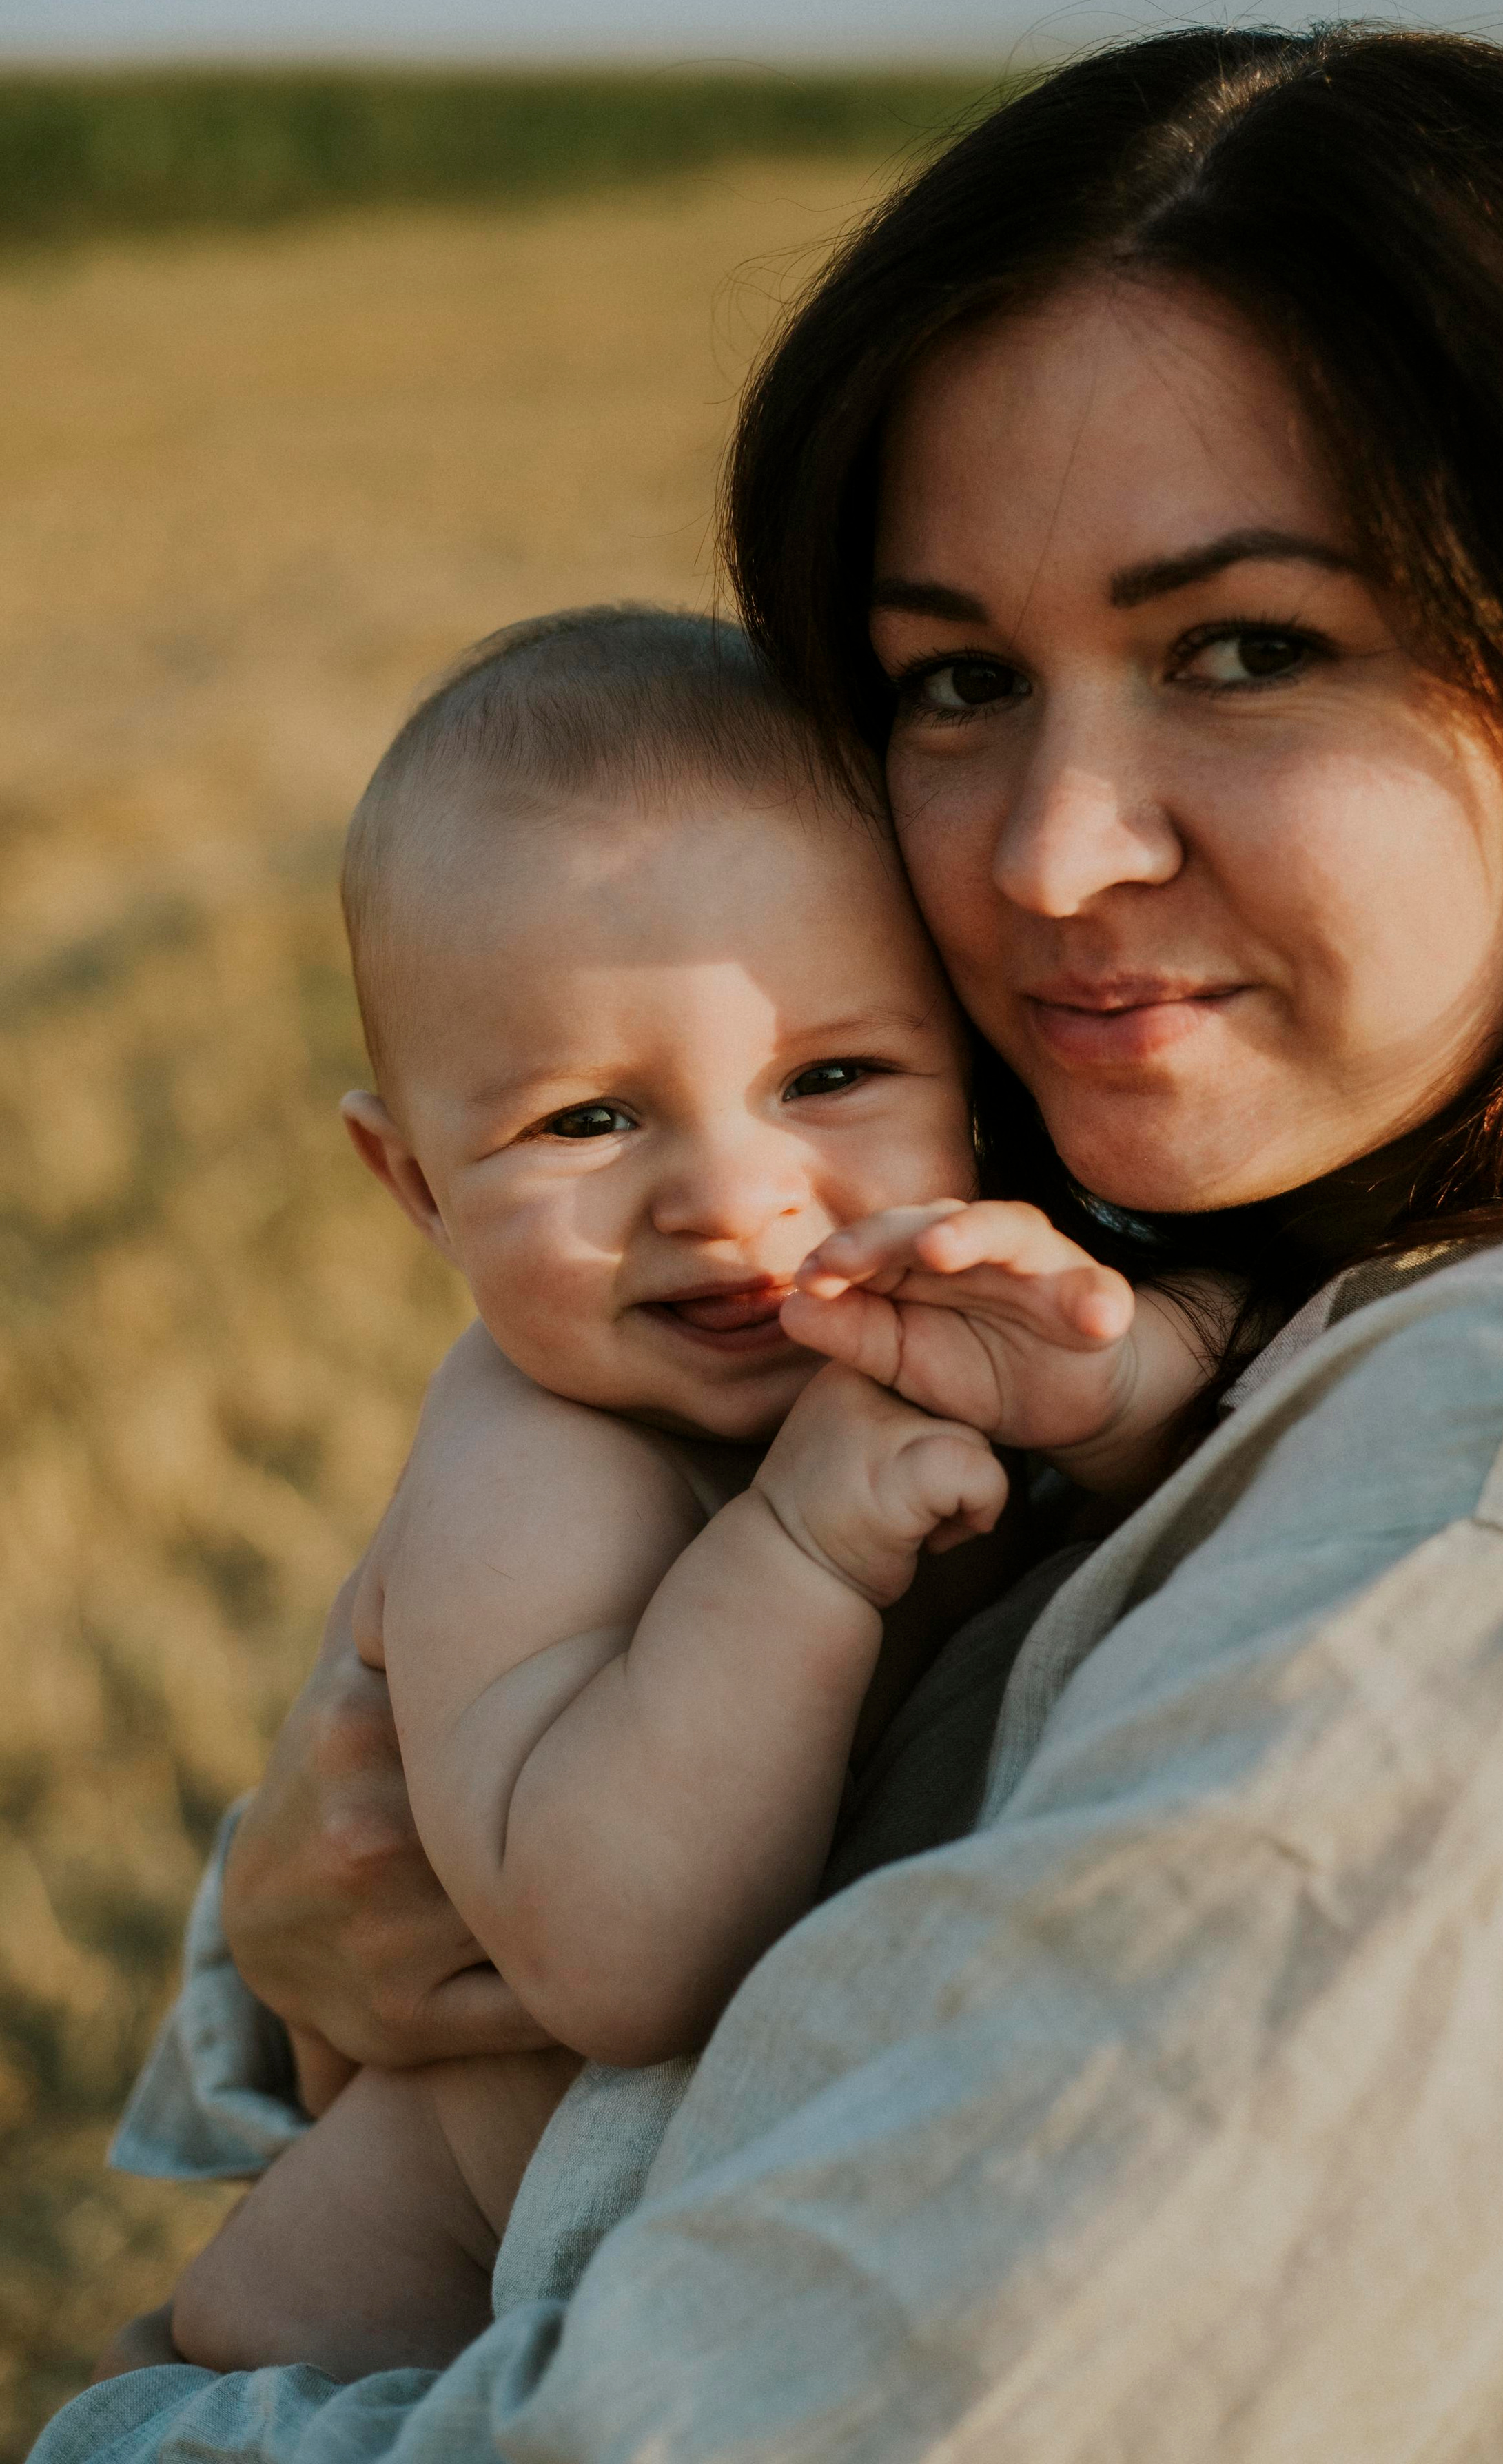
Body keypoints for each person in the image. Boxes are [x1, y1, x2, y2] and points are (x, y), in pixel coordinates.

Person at [45, 23, 1503, 2462]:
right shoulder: (1209, 1255)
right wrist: (311, 1927)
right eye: (954, 680)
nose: (1050, 854)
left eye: (1245, 647)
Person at [163, 604, 1214, 2380]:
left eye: (831, 1076)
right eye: (587, 1122)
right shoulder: (535, 1468)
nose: (732, 1198)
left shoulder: (936, 1291)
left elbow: (1189, 1453)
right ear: (414, 1184)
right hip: (420, 2287)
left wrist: (1109, 1387)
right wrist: (799, 1551)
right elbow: (619, 1959)